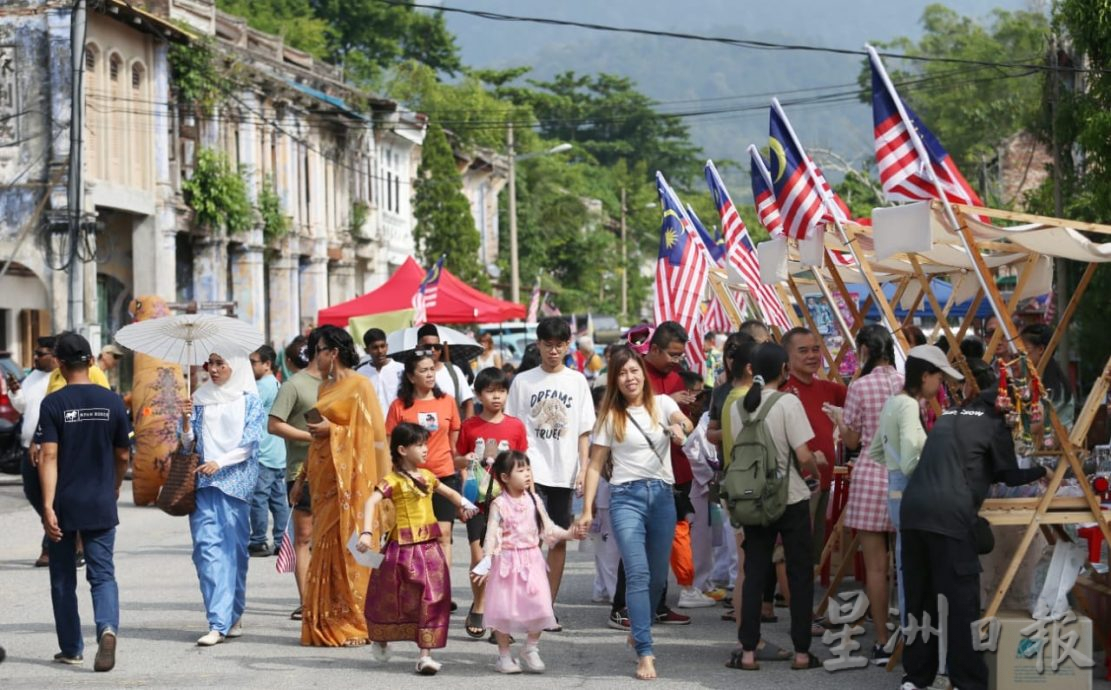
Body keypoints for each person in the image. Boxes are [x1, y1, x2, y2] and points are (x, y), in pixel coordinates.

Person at [899, 356, 1046, 690]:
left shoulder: (951, 415)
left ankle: (915, 679)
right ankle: (968, 682)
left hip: (913, 513)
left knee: (920, 600)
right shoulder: (995, 423)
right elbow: (1007, 474)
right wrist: (1043, 471)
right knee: (962, 603)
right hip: (950, 516)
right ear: (1007, 407)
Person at [579, 346, 693, 680]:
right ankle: (645, 651)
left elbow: (681, 419)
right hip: (625, 498)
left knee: (658, 580)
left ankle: (639, 625)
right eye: (622, 373)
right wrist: (586, 510)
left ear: (643, 373)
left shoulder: (663, 403)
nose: (630, 378)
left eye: (634, 371)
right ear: (615, 379)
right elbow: (595, 465)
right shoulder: (610, 415)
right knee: (639, 574)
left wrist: (681, 427)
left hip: (661, 497)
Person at [724, 342, 825, 672]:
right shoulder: (788, 403)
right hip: (790, 498)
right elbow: (804, 454)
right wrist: (815, 473)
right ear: (784, 370)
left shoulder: (740, 406)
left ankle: (749, 652)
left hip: (754, 499)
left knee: (754, 574)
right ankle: (801, 653)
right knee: (799, 575)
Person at [34, 332, 131, 672]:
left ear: (59, 364)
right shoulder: (113, 401)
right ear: (91, 361)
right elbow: (122, 453)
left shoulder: (53, 404)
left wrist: (47, 506)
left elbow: (48, 456)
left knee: (62, 577)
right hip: (101, 500)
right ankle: (106, 628)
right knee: (102, 574)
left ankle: (72, 647)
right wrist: (116, 486)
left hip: (65, 503)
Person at [358, 422, 477, 675]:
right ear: (402, 449)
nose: (425, 449)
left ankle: (425, 654)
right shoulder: (393, 481)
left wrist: (465, 505)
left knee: (433, 597)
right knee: (391, 597)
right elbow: (371, 502)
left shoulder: (428, 477)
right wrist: (367, 532)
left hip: (430, 550)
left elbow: (450, 493)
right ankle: (381, 636)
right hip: (398, 550)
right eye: (419, 445)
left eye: (426, 444)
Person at [299, 325, 390, 646]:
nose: (314, 357)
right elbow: (319, 431)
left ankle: (356, 621)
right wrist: (303, 477)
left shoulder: (360, 386)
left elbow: (373, 437)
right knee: (324, 546)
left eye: (318, 351)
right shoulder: (324, 388)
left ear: (333, 352)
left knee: (352, 548)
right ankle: (327, 617)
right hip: (324, 479)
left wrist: (333, 431)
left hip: (352, 482)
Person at [506, 316, 596, 627]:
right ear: (539, 345)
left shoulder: (577, 381)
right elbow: (513, 429)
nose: (554, 351)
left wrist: (584, 469)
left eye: (559, 345)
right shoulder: (523, 381)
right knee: (526, 539)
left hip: (565, 472)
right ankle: (522, 603)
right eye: (548, 345)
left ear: (568, 345)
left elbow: (585, 432)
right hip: (530, 472)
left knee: (557, 540)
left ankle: (547, 606)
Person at [826, 325, 903, 662]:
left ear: (864, 351)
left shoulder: (859, 386)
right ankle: (915, 635)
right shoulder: (907, 383)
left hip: (872, 476)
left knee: (875, 566)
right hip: (907, 477)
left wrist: (840, 420)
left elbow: (853, 441)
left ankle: (883, 638)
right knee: (907, 563)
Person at [179, 352, 264, 646]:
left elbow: (250, 443)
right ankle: (217, 621)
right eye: (210, 364)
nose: (213, 370)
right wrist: (186, 421)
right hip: (204, 483)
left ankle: (234, 614)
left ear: (235, 366)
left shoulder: (249, 399)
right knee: (206, 551)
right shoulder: (200, 398)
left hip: (236, 483)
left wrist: (222, 462)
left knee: (235, 553)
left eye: (220, 364)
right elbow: (189, 444)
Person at [868, 344, 952, 627]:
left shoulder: (894, 401)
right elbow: (910, 462)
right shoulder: (908, 405)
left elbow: (877, 451)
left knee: (906, 568)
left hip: (896, 490)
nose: (940, 385)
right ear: (925, 376)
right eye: (939, 379)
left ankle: (911, 633)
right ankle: (915, 634)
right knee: (914, 572)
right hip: (911, 493)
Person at [474, 450, 579, 674]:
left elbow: (548, 528)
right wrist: (486, 561)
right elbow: (492, 534)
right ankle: (504, 656)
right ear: (504, 477)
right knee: (503, 611)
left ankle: (531, 647)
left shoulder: (534, 499)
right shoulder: (499, 504)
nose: (527, 474)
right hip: (506, 563)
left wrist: (569, 534)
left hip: (532, 561)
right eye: (520, 470)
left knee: (541, 604)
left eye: (528, 469)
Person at [641, 322, 712, 609]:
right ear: (654, 349)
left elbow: (683, 421)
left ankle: (679, 588)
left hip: (677, 463)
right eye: (672, 354)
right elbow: (630, 414)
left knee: (680, 525)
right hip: (646, 466)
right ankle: (671, 590)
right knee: (653, 531)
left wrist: (689, 410)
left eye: (680, 355)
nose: (677, 361)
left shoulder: (676, 377)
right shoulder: (636, 374)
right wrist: (668, 401)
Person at [456, 366, 528, 640]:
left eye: (501, 391)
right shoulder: (470, 426)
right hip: (477, 502)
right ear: (478, 394)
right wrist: (464, 494)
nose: (496, 397)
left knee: (502, 561)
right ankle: (480, 604)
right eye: (489, 391)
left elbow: (522, 466)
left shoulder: (515, 426)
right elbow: (458, 461)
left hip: (506, 503)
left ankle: (501, 620)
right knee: (479, 558)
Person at [385, 350, 462, 569]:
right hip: (409, 479)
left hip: (443, 474)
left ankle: (443, 592)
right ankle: (420, 585)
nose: (430, 374)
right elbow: (391, 444)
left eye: (432, 369)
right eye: (423, 370)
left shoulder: (447, 401)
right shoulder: (399, 406)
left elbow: (453, 439)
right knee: (416, 537)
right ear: (411, 377)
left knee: (443, 534)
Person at [780, 327, 845, 573]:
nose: (812, 355)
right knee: (792, 550)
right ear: (787, 357)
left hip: (824, 481)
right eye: (803, 350)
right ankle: (793, 603)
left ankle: (797, 601)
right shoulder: (783, 391)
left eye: (816, 349)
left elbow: (859, 401)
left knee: (811, 548)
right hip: (796, 483)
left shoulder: (829, 389)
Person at [268, 335, 321, 620]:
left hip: (339, 472)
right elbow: (274, 425)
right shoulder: (294, 385)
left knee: (335, 538)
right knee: (303, 537)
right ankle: (307, 600)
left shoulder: (342, 384)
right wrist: (311, 437)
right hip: (300, 471)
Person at [11, 336, 58, 567]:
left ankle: (49, 547)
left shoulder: (59, 379)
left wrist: (40, 441)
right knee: (32, 492)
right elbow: (23, 408)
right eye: (35, 353)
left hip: (50, 448)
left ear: (55, 356)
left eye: (41, 354)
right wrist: (16, 393)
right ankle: (56, 528)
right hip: (28, 446)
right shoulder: (32, 377)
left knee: (51, 497)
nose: (36, 358)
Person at [248, 345, 289, 557]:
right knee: (277, 500)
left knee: (259, 498)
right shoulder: (275, 383)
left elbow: (246, 412)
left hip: (264, 452)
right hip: (277, 452)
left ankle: (258, 540)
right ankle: (282, 541)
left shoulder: (262, 386)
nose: (250, 366)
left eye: (254, 362)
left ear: (267, 364)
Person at [1020, 323, 1074, 427]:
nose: (1021, 354)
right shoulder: (1029, 378)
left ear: (1040, 349)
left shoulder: (1054, 387)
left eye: (1025, 349)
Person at [417, 323, 475, 419]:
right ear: (418, 348)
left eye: (436, 346)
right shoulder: (410, 374)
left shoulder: (454, 372)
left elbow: (468, 403)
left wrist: (466, 429)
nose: (432, 350)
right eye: (428, 346)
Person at [356, 328, 404, 412]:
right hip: (372, 423)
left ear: (387, 346)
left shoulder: (401, 369)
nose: (380, 351)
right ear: (367, 350)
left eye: (382, 346)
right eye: (375, 347)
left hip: (398, 423)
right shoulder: (360, 374)